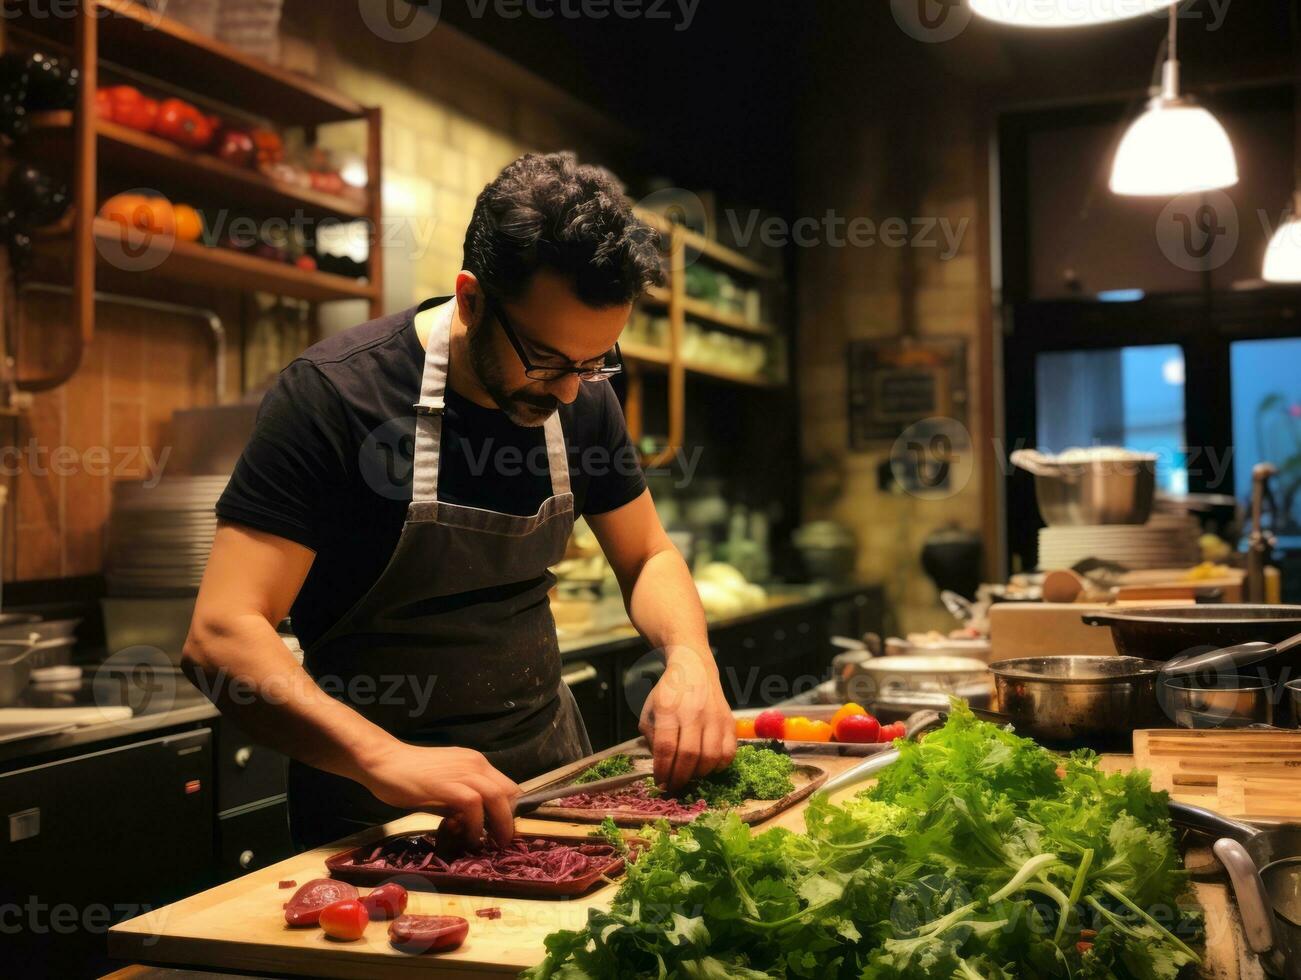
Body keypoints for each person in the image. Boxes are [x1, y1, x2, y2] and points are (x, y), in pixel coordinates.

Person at [182, 152, 736, 849]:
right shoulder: (334, 398)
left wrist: (691, 657)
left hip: (551, 788)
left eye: (595, 362)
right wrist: (384, 758)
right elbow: (220, 635)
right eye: (547, 360)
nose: (570, 390)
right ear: (471, 298)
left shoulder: (581, 394)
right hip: (381, 813)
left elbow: (648, 552)